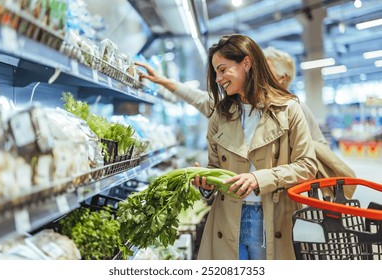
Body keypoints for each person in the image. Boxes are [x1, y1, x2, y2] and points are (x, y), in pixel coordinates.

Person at [136, 46, 357, 200]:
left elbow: (312, 161)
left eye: (264, 68)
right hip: (238, 206)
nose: (255, 71)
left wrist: (262, 177)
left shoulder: (294, 110)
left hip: (280, 206)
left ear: (281, 78)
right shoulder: (237, 105)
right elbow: (205, 100)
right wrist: (165, 82)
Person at [189, 34, 318, 260]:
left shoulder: (288, 109)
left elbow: (307, 166)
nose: (218, 78)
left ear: (246, 63)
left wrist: (260, 178)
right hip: (227, 218)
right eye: (215, 72)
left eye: (222, 69)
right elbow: (215, 166)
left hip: (270, 218)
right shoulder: (220, 116)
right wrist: (206, 184)